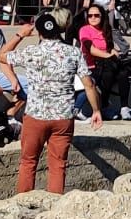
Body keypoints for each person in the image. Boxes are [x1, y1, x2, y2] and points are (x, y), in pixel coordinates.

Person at [6, 13, 99, 193]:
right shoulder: (73, 52)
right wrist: (96, 111)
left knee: (28, 162)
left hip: (36, 116)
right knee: (58, 165)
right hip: (63, 117)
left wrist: (20, 35)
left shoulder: (31, 52)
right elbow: (89, 84)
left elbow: (3, 56)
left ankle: (23, 206)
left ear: (39, 32)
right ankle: (55, 209)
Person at [77, 2, 131, 121]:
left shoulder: (106, 29)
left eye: (96, 15)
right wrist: (108, 56)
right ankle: (104, 106)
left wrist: (113, 51)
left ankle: (124, 107)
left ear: (102, 16)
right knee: (107, 74)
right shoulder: (84, 30)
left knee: (123, 74)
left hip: (106, 63)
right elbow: (90, 49)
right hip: (92, 65)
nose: (93, 18)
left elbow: (109, 47)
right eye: (90, 15)